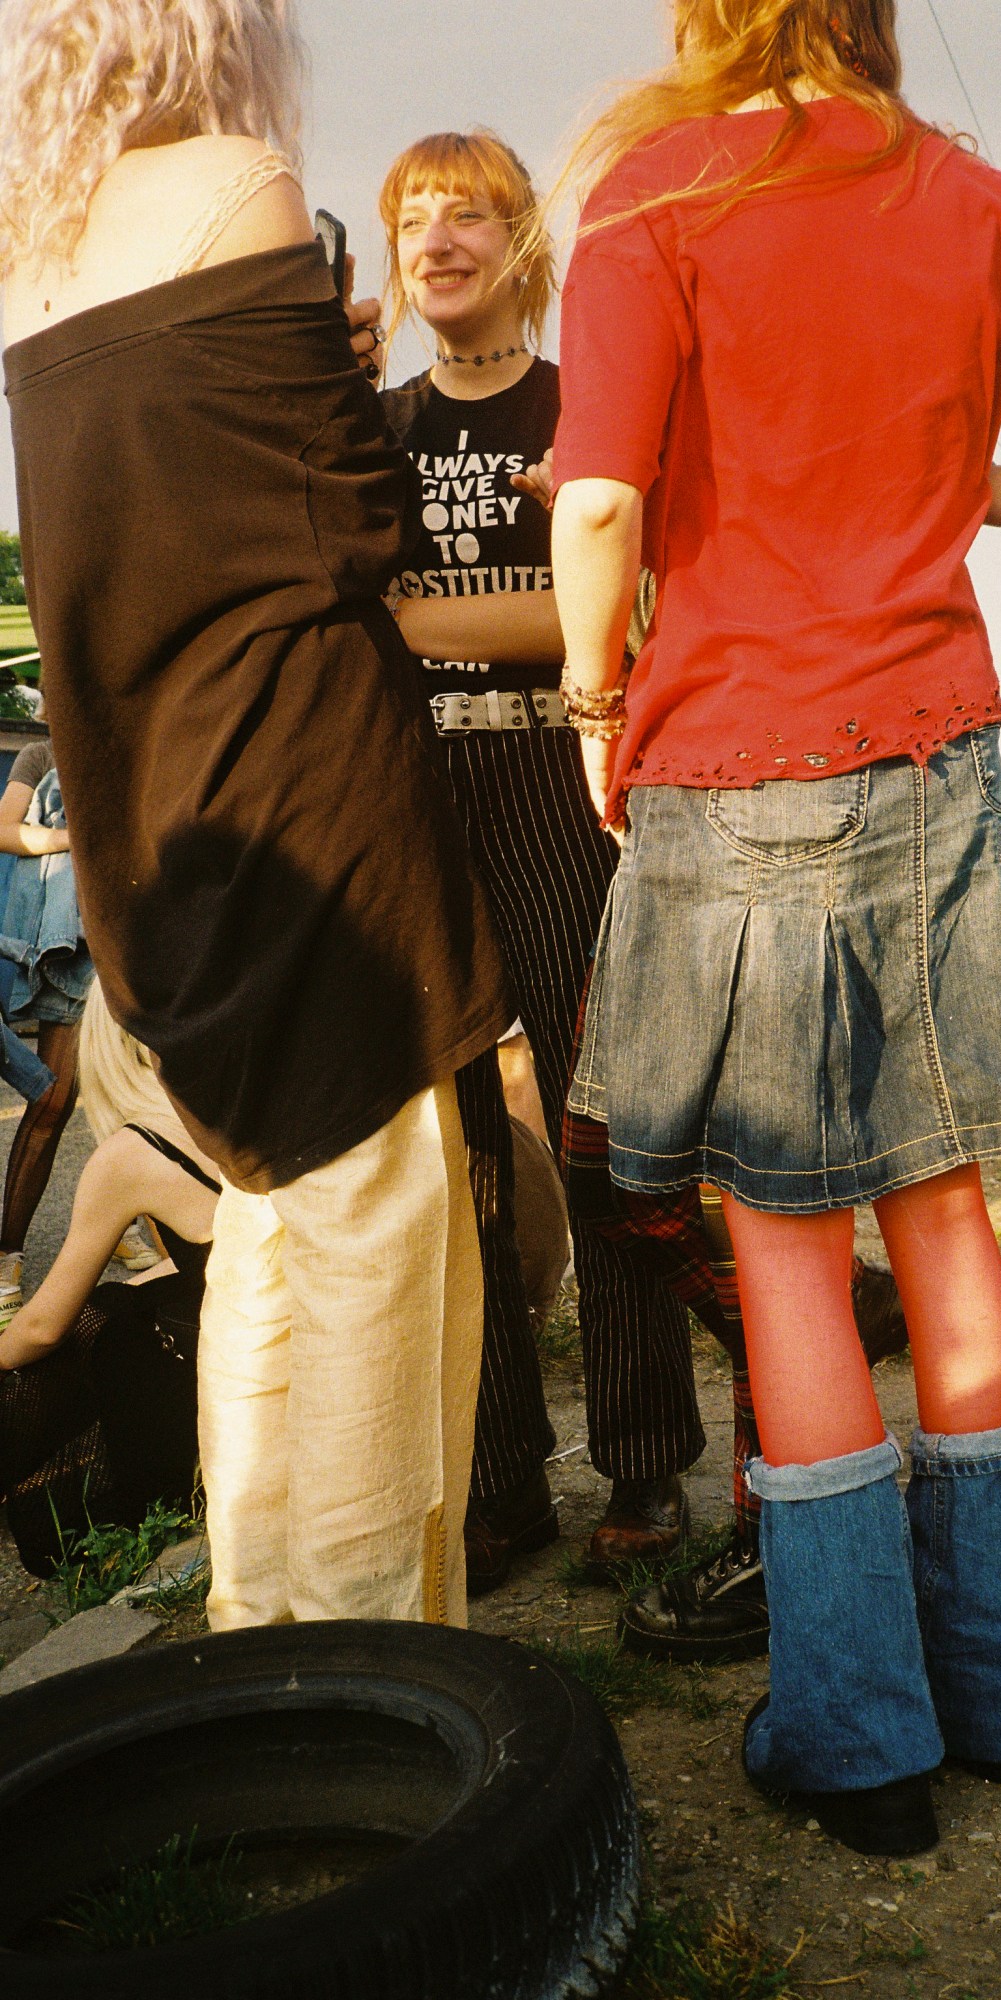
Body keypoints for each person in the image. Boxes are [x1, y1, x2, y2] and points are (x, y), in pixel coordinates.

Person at [549, 0, 1001, 1855]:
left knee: (777, 1246)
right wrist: (964, 489)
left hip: (734, 769)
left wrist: (596, 702)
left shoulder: (653, 194)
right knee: (945, 1216)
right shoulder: (975, 199)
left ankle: (855, 1747)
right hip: (938, 768)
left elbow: (595, 496)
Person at [0, 0, 511, 1630]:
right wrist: (342, 375)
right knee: (377, 1252)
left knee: (271, 1243)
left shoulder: (35, 253)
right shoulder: (235, 181)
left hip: (161, 834)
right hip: (310, 797)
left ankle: (263, 1651)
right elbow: (357, 526)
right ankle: (381, 1705)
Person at [374, 130, 705, 1587]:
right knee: (457, 1162)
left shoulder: (586, 410)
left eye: (468, 215)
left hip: (563, 782)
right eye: (412, 221)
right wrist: (517, 604)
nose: (436, 241)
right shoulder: (369, 434)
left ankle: (644, 1470)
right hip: (407, 803)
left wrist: (417, 619)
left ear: (523, 248)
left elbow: (621, 611)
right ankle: (501, 1475)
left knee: (595, 1125)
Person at [0, 982, 218, 1574]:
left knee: (80, 1337)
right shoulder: (235, 1102)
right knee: (113, 1303)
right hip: (280, 1341)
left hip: (222, 1388)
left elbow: (43, 1327)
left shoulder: (134, 1150)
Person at [0, 736, 92, 1324]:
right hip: (70, 948)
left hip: (137, 946)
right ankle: (7, 1253)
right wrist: (72, 838)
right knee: (54, 1099)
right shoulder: (41, 754)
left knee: (143, 1101)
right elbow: (6, 829)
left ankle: (135, 1225)